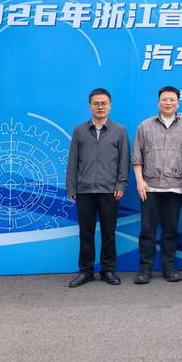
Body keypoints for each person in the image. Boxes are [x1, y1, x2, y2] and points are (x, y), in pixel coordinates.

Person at [66, 88, 130, 287]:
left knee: (108, 234)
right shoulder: (79, 131)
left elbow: (124, 160)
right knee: (86, 234)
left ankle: (108, 270)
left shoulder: (119, 131)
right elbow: (73, 161)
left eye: (104, 103)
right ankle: (85, 271)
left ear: (109, 105)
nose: (100, 107)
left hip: (109, 190)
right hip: (84, 191)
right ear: (90, 106)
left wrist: (121, 184)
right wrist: (71, 188)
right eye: (96, 103)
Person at [132, 86, 182, 284]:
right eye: (165, 100)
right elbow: (137, 157)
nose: (168, 103)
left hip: (175, 187)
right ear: (158, 103)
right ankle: (145, 269)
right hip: (149, 187)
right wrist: (140, 181)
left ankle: (169, 267)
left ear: (178, 103)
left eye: (172, 100)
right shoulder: (145, 126)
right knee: (147, 230)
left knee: (170, 229)